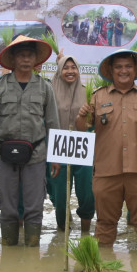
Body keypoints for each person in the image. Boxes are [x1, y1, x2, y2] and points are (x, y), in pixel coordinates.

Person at [75, 51, 137, 249]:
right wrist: (82, 115)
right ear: (111, 70)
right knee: (105, 223)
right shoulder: (98, 96)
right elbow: (82, 127)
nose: (123, 70)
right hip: (106, 171)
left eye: (128, 66)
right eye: (118, 67)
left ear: (135, 70)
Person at [0, 36, 59, 247]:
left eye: (29, 55)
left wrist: (56, 157)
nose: (25, 59)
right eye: (20, 55)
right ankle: (9, 250)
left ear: (35, 60)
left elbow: (53, 123)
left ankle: (32, 250)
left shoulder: (44, 87)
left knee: (34, 206)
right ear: (13, 59)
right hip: (5, 154)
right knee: (7, 206)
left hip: (37, 153)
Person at [48, 55, 96, 234]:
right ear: (59, 71)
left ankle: (85, 232)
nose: (70, 71)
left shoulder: (87, 92)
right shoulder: (50, 91)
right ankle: (63, 227)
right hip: (57, 147)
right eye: (65, 68)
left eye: (73, 67)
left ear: (78, 70)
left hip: (82, 147)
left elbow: (94, 123)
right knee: (59, 193)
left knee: (87, 192)